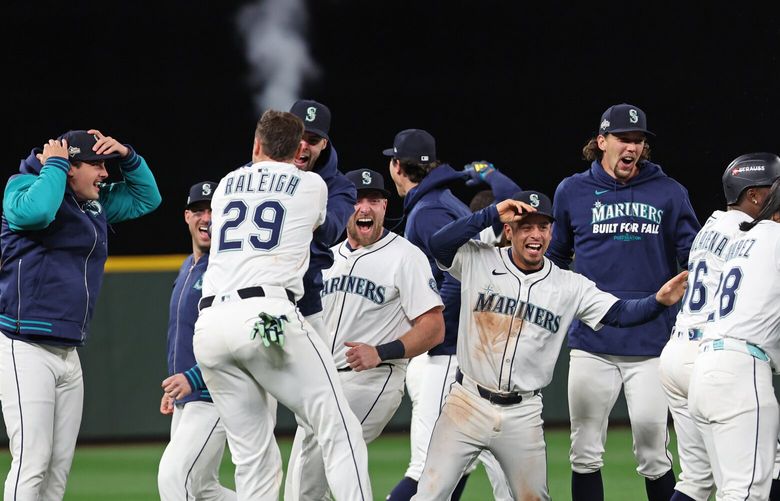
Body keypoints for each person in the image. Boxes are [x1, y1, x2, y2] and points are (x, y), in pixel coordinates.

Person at [414, 190, 689, 500]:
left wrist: (658, 302)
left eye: (543, 227)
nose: (535, 235)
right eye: (526, 226)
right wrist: (490, 213)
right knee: (428, 495)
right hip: (466, 403)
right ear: (510, 230)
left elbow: (620, 313)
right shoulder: (479, 259)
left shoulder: (568, 285)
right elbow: (437, 244)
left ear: (551, 232)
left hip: (523, 413)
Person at [192, 110, 371, 500]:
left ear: (256, 145)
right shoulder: (311, 185)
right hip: (265, 315)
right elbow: (325, 230)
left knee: (252, 459)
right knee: (340, 428)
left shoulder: (225, 185)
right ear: (297, 150)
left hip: (209, 325)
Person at [546, 103, 701, 501]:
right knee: (584, 453)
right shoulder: (571, 191)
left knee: (653, 453)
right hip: (592, 343)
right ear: (601, 142)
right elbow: (557, 258)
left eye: (638, 141)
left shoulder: (669, 192)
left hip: (651, 345)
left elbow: (695, 261)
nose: (631, 147)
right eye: (623, 139)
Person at [0, 129, 161, 499]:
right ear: (69, 166)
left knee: (57, 471)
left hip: (69, 353)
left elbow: (146, 199)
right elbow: (37, 212)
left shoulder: (92, 203)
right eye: (96, 164)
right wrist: (54, 164)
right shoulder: (22, 186)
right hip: (25, 347)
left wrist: (128, 155)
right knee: (32, 462)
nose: (105, 173)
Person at [283, 168, 445, 500]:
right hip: (322, 381)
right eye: (357, 200)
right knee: (303, 485)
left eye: (375, 200)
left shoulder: (406, 256)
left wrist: (382, 351)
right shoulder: (327, 256)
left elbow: (433, 327)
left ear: (386, 207)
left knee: (328, 449)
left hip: (373, 379)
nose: (366, 208)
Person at [384, 130, 518, 500]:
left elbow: (457, 280)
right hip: (459, 351)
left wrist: (439, 324)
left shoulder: (429, 211)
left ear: (397, 166)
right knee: (454, 465)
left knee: (431, 466)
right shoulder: (443, 203)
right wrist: (490, 173)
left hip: (447, 354)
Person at [659, 153, 780, 501]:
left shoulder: (712, 226)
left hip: (682, 353)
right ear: (755, 195)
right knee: (753, 476)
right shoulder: (751, 234)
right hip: (716, 353)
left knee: (697, 480)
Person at [157, 181, 236, 500]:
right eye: (200, 210)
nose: (207, 218)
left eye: (214, 210)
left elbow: (232, 339)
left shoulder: (228, 269)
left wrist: (194, 378)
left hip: (213, 392)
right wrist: (174, 388)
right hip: (187, 397)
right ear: (187, 216)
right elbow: (182, 332)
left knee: (174, 479)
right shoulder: (187, 267)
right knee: (203, 489)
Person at [289, 99, 357, 338]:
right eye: (298, 135)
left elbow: (328, 231)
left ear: (324, 144)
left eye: (313, 140)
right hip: (253, 295)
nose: (303, 145)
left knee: (322, 375)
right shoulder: (254, 171)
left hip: (305, 302)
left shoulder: (340, 187)